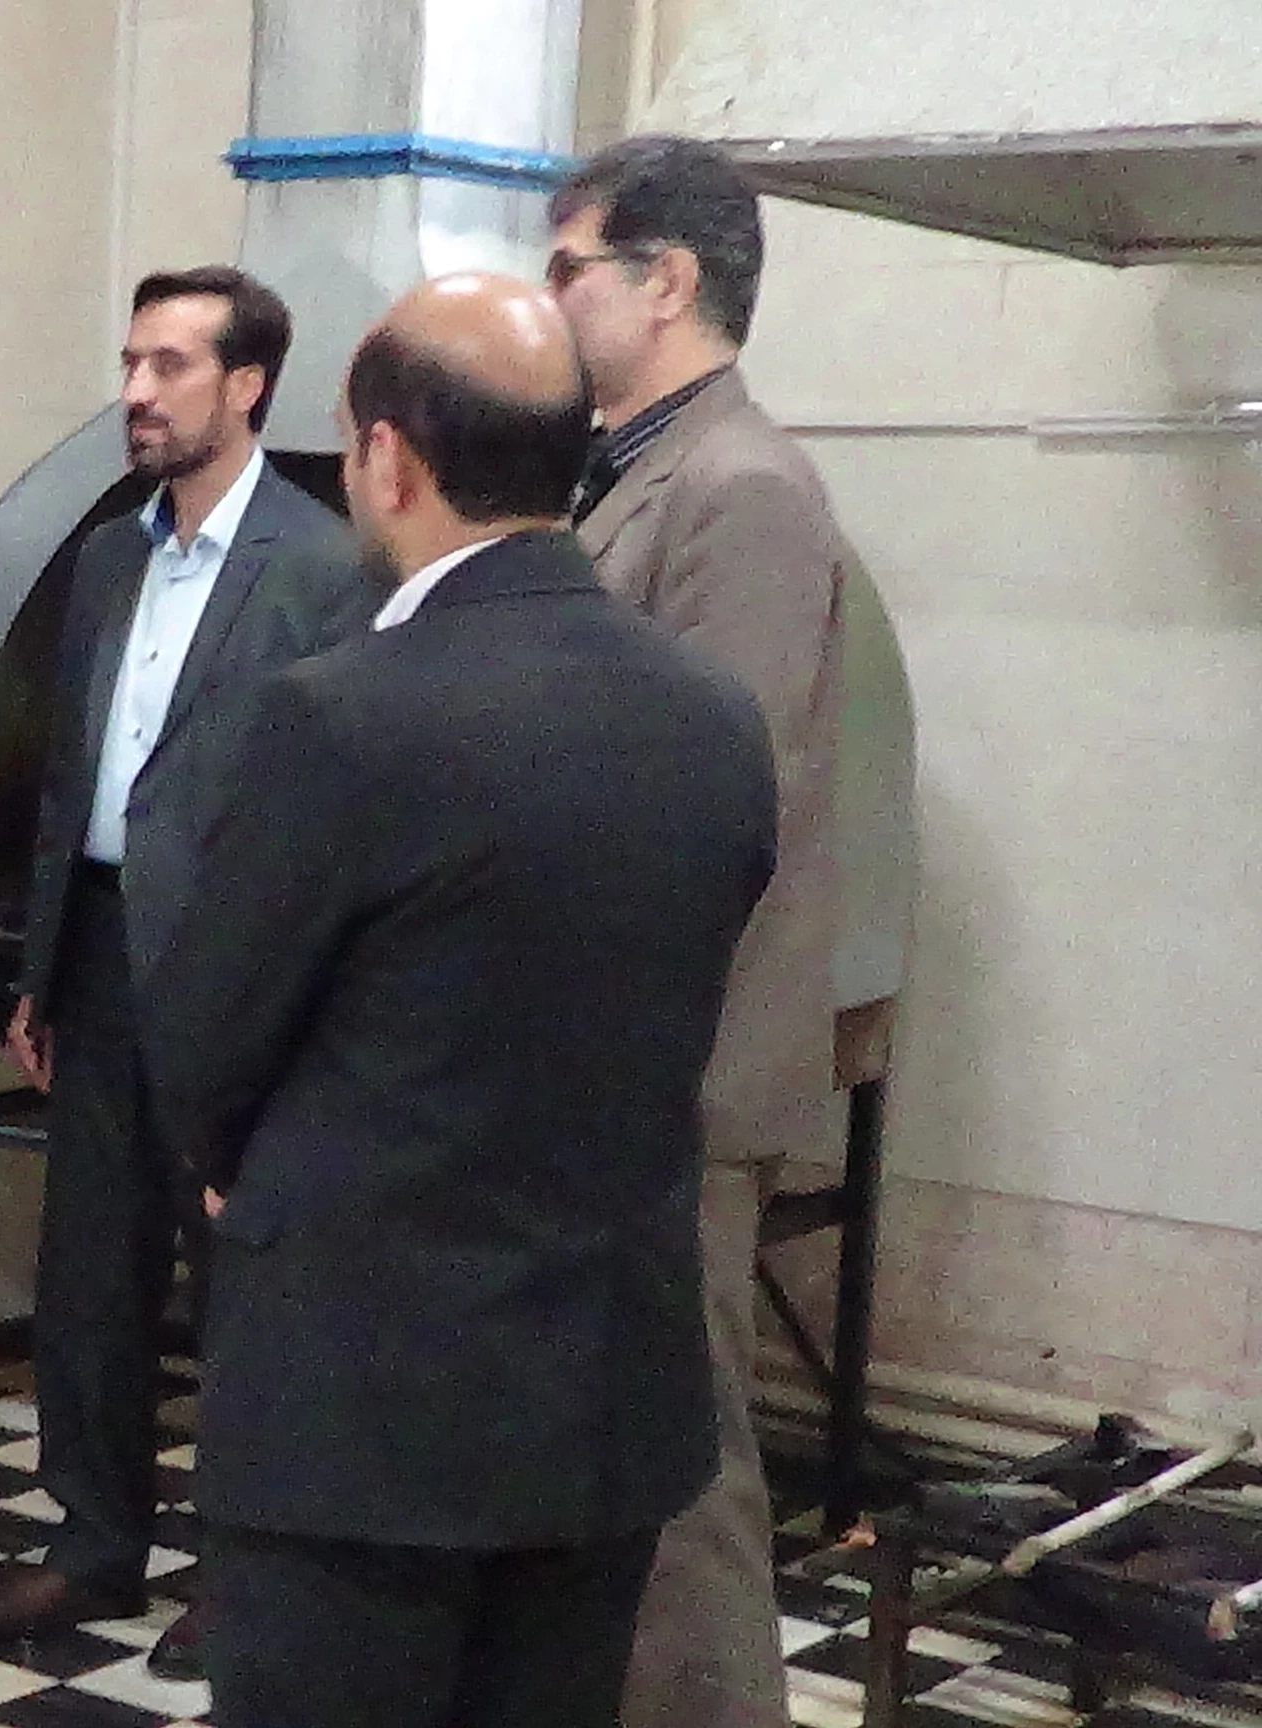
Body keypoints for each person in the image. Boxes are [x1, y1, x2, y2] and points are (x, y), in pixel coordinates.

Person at [140, 272, 777, 1728]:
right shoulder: (710, 718)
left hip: (366, 1403)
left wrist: (238, 1166)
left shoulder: (342, 717)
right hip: (603, 1394)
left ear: (388, 459)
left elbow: (202, 1038)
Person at [0, 266, 376, 1675]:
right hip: (96, 955)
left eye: (170, 366)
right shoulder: (107, 557)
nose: (137, 393)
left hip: (234, 969)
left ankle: (247, 1569)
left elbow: (333, 805)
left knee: (241, 1287)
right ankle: (94, 1540)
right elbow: (68, 777)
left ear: (247, 384)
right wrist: (38, 966)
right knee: (90, 1272)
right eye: (132, 362)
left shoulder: (325, 568)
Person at [549, 134, 854, 1728]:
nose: (548, 301)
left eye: (567, 268)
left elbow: (710, 807)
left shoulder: (743, 488)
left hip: (677, 1063)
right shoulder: (627, 466)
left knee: (684, 1472)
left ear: (664, 281)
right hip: (612, 1058)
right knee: (613, 1447)